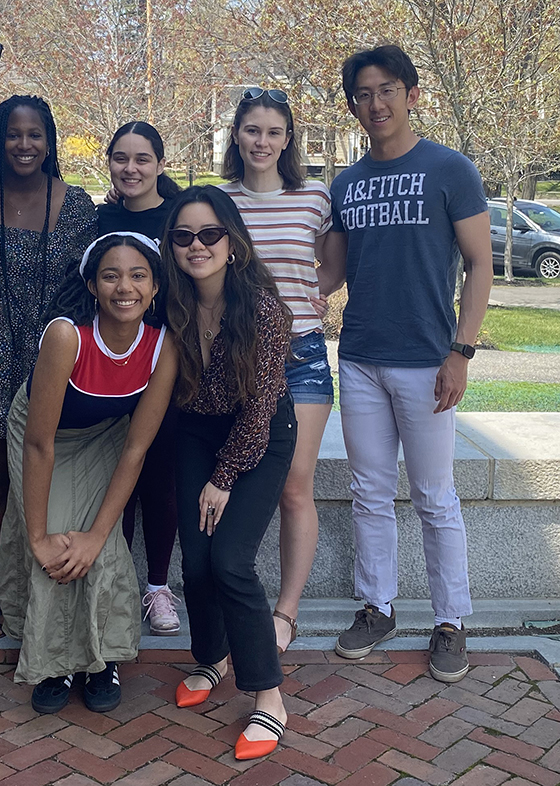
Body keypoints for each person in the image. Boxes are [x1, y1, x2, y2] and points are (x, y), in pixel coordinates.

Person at [318, 45, 493, 683]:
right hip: (360, 357)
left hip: (427, 359)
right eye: (363, 94)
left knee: (434, 496)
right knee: (369, 493)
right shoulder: (347, 183)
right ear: (353, 105)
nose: (376, 103)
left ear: (411, 93)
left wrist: (461, 351)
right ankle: (377, 607)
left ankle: (451, 620)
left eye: (387, 89)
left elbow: (481, 265)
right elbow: (331, 274)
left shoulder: (450, 169)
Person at [0, 232, 178, 714]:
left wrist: (99, 534)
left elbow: (137, 449)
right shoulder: (66, 335)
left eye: (139, 276)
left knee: (99, 547)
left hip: (107, 436)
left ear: (156, 287)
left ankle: (101, 660)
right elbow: (39, 442)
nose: (126, 287)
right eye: (111, 276)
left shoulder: (163, 346)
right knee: (56, 545)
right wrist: (37, 535)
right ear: (93, 286)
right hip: (42, 434)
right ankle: (51, 663)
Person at [0, 95, 97, 638]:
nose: (24, 144)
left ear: (50, 141)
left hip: (50, 370)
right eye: (13, 134)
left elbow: (93, 288)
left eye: (35, 134)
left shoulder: (77, 207)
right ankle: (7, 605)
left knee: (47, 491)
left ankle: (47, 605)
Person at [165, 186, 296, 760]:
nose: (197, 246)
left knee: (230, 561)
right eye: (184, 236)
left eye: (210, 234)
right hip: (196, 432)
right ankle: (212, 657)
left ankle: (268, 697)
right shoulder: (169, 303)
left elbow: (261, 407)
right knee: (194, 559)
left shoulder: (262, 308)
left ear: (232, 240)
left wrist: (223, 478)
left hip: (260, 437)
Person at [219, 88, 340, 655]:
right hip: (237, 360)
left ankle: (285, 612)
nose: (261, 141)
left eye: (272, 132)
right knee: (230, 476)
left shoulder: (314, 196)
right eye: (251, 130)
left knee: (295, 485)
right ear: (236, 136)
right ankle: (226, 598)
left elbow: (334, 265)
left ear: (287, 138)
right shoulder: (221, 203)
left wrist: (308, 295)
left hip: (301, 357)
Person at [98, 121, 182, 636]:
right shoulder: (100, 218)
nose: (131, 169)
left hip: (169, 361)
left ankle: (156, 587)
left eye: (142, 159)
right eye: (121, 158)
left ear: (159, 164)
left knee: (160, 476)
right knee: (116, 476)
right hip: (114, 361)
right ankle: (117, 583)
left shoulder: (178, 218)